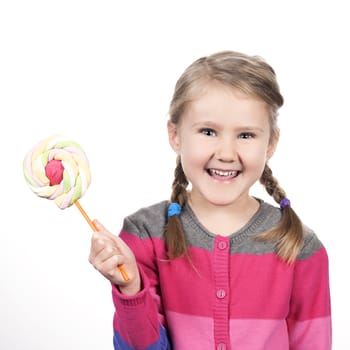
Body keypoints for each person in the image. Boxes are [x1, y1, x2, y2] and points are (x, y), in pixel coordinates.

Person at [88, 50, 332, 349]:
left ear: (271, 143)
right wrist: (130, 286)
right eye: (208, 131)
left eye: (246, 135)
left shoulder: (301, 246)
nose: (226, 153)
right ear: (175, 135)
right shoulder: (145, 235)